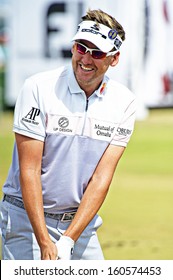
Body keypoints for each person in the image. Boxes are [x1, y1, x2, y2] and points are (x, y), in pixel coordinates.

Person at [0, 9, 136, 260]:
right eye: (81, 48)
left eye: (96, 53)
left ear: (113, 59)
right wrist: (45, 241)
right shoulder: (37, 87)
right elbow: (29, 171)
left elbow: (101, 178)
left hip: (79, 223)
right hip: (26, 220)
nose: (85, 59)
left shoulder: (124, 102)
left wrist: (68, 239)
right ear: (73, 46)